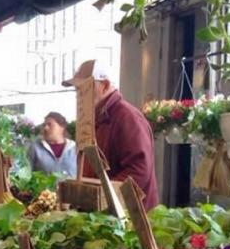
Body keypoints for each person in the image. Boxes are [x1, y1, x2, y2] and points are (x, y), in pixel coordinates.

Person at [63, 59, 159, 209]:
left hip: (129, 220)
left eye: (85, 88)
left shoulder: (128, 117)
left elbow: (139, 171)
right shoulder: (92, 119)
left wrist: (102, 197)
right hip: (102, 217)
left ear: (105, 85)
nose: (79, 95)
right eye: (77, 90)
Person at [27, 111, 77, 178]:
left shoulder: (74, 148)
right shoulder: (35, 148)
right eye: (44, 125)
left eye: (49, 124)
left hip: (70, 188)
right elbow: (27, 173)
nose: (45, 128)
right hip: (43, 188)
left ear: (61, 127)